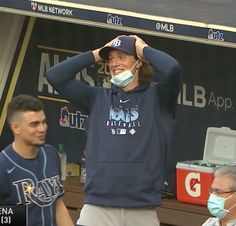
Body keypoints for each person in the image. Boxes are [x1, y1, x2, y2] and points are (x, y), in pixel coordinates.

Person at [46, 35, 182, 226]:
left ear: (139, 63)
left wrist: (143, 49)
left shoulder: (158, 98)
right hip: (97, 207)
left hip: (141, 209)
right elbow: (55, 75)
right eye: (111, 58)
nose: (114, 63)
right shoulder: (97, 98)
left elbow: (173, 69)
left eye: (122, 56)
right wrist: (97, 54)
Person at [0, 94, 74, 226]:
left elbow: (57, 203)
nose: (42, 129)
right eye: (34, 124)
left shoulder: (51, 154)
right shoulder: (3, 166)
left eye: (43, 122)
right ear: (15, 127)